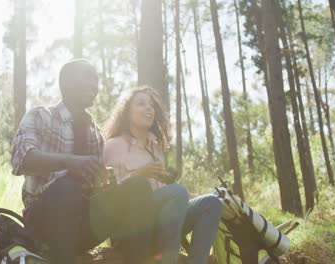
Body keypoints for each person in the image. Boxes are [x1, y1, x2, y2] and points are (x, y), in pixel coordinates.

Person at [11, 59, 156, 264]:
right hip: (43, 224)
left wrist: (107, 183)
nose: (94, 85)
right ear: (66, 82)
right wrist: (70, 162)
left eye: (96, 80)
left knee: (138, 187)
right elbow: (21, 159)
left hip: (82, 227)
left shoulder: (95, 134)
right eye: (88, 77)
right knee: (67, 187)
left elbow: (95, 191)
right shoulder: (40, 116)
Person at [103, 86, 223, 264]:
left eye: (151, 105)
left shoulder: (156, 149)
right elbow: (108, 193)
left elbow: (168, 193)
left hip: (163, 224)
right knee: (178, 192)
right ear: (127, 113)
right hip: (133, 228)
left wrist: (202, 196)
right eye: (141, 104)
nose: (148, 108)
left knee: (212, 203)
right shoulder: (114, 145)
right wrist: (139, 173)